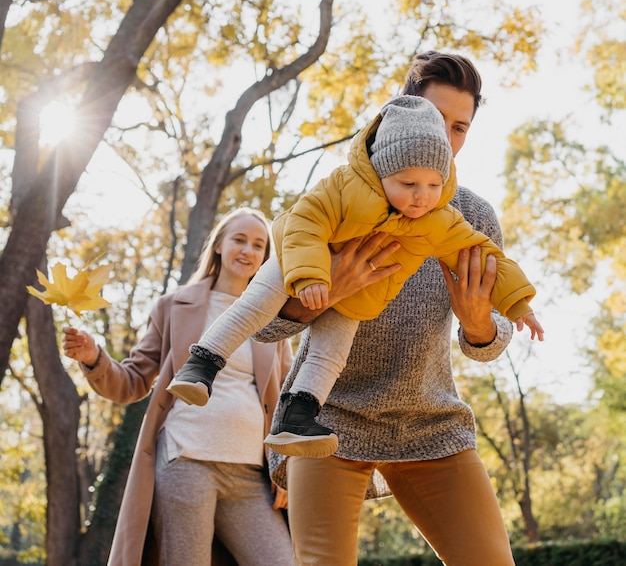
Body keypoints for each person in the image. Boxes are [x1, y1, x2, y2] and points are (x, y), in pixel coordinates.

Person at [255, 51, 522, 565]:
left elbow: (490, 341)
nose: (446, 138)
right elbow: (264, 326)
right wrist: (327, 289)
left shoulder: (472, 216)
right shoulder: (337, 199)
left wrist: (478, 322)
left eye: (460, 126)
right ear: (399, 112)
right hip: (328, 420)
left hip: (431, 423)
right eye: (435, 118)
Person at [167, 95, 543, 459]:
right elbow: (304, 221)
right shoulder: (346, 186)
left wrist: (518, 304)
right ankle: (202, 363)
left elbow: (482, 254)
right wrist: (312, 276)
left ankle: (297, 418)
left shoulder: (439, 218)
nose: (421, 197)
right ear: (382, 169)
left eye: (433, 185)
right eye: (409, 185)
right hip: (297, 264)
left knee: (330, 356)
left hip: (358, 293)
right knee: (254, 305)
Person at [61, 207, 294, 566]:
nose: (248, 250)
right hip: (186, 460)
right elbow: (133, 382)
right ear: (219, 245)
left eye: (258, 245)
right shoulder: (174, 306)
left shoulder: (273, 316)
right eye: (239, 240)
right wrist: (95, 357)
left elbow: (285, 399)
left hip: (252, 475)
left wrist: (285, 468)